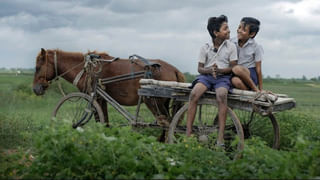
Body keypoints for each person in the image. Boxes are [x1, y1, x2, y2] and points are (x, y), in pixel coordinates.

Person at [186, 15, 238, 146]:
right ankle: (188, 134)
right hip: (206, 77)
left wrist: (219, 71)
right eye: (225, 28)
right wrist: (210, 70)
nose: (229, 31)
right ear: (216, 33)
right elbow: (200, 68)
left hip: (223, 78)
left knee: (221, 95)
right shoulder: (205, 47)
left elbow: (233, 67)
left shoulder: (231, 46)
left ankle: (220, 138)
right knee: (193, 94)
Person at [231, 17, 263, 92]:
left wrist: (261, 88)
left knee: (237, 68)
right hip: (236, 74)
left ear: (251, 34)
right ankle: (250, 91)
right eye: (239, 27)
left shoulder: (256, 47)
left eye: (244, 30)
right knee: (235, 81)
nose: (239, 31)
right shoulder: (231, 42)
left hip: (250, 74)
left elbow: (258, 69)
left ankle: (256, 89)